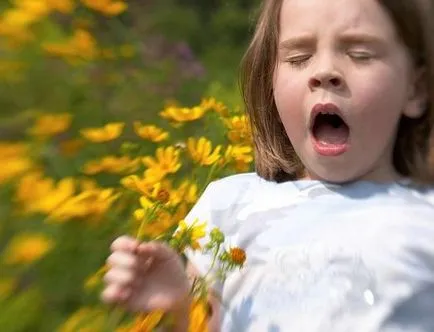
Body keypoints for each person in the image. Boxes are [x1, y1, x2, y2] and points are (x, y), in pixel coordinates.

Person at [101, 0, 434, 330]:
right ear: (270, 82)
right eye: (298, 58)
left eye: (360, 54)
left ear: (415, 88)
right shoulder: (230, 205)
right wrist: (177, 310)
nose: (324, 72)